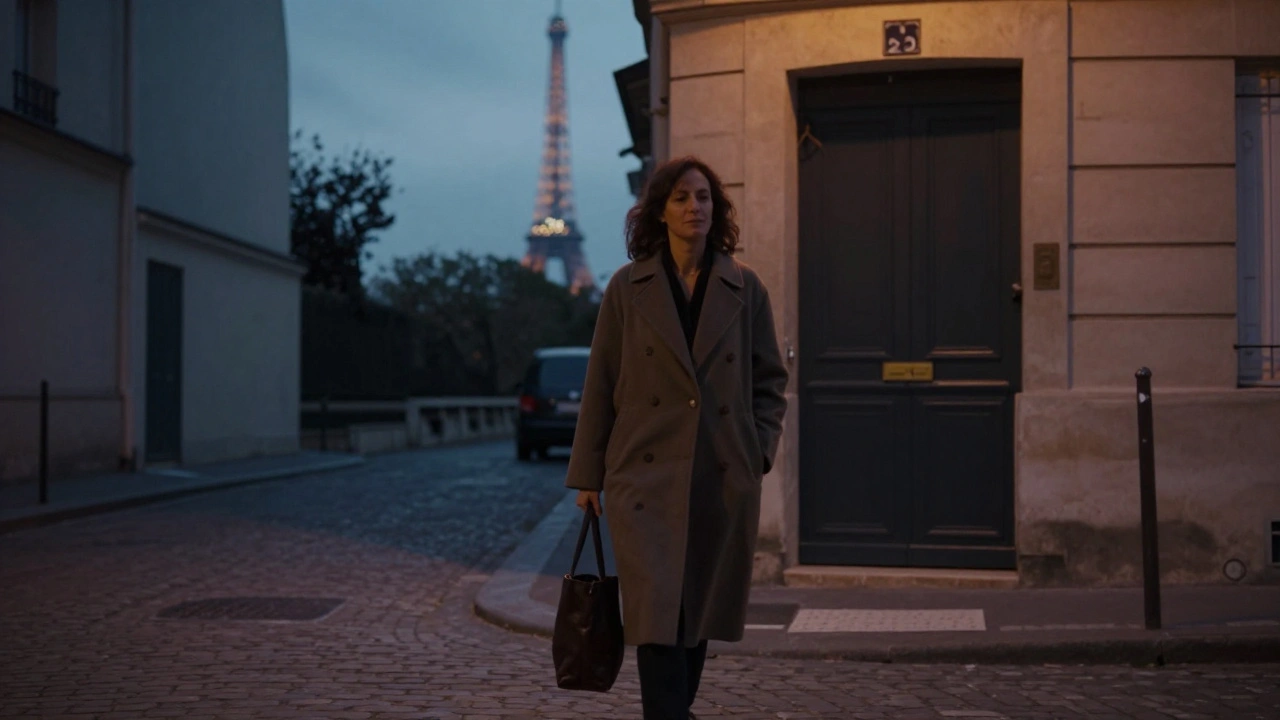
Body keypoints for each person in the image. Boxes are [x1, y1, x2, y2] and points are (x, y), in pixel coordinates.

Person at [564, 156, 789, 720]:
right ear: (659, 211)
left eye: (704, 197)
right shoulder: (626, 287)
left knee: (697, 611)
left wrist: (757, 452)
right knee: (655, 610)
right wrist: (588, 476)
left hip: (721, 470)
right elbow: (601, 383)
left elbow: (769, 381)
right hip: (643, 476)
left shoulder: (746, 287)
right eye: (682, 198)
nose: (695, 207)